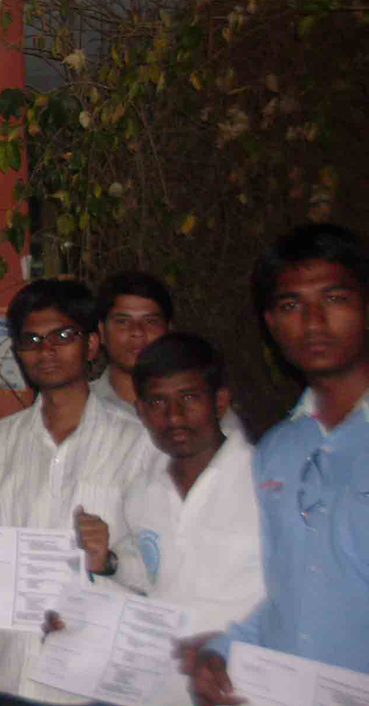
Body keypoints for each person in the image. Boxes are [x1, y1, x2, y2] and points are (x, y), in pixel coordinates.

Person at [187, 223, 369, 704]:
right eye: (291, 306)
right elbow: (279, 591)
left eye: (334, 298)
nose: (312, 321)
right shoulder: (276, 450)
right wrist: (224, 650)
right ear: (271, 323)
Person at [46, 333, 264, 706]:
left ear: (220, 401)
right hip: (161, 690)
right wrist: (108, 566)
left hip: (247, 689)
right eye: (158, 402)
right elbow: (152, 578)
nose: (174, 416)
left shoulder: (265, 479)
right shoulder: (142, 490)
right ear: (141, 410)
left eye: (190, 398)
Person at [0, 279, 153, 706]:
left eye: (63, 336)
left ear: (93, 345)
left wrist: (109, 560)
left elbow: (163, 560)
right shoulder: (0, 440)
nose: (47, 350)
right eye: (32, 340)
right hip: (11, 670)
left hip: (93, 677)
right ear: (19, 354)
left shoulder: (138, 440)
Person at [90, 271, 174, 420]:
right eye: (122, 322)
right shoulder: (80, 409)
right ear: (102, 332)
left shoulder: (197, 408)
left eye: (150, 321)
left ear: (169, 331)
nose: (137, 332)